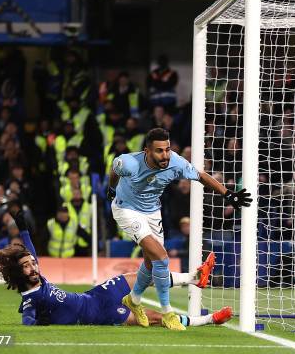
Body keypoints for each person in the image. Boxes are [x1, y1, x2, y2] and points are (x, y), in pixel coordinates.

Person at [107, 127, 251, 330]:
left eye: (167, 149)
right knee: (161, 256)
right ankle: (167, 312)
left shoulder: (176, 162)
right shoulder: (129, 163)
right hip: (126, 209)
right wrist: (112, 190)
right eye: (159, 151)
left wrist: (227, 193)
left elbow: (201, 176)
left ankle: (134, 299)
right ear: (147, 151)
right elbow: (114, 170)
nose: (165, 155)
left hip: (152, 211)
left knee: (150, 263)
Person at [0, 209, 232, 327]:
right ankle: (211, 319)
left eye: (32, 262)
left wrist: (22, 225)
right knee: (156, 318)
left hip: (95, 295)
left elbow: (30, 250)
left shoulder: (37, 277)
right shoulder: (31, 299)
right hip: (98, 315)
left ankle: (194, 278)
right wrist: (35, 323)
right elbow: (28, 322)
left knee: (138, 276)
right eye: (27, 266)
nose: (33, 265)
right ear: (17, 274)